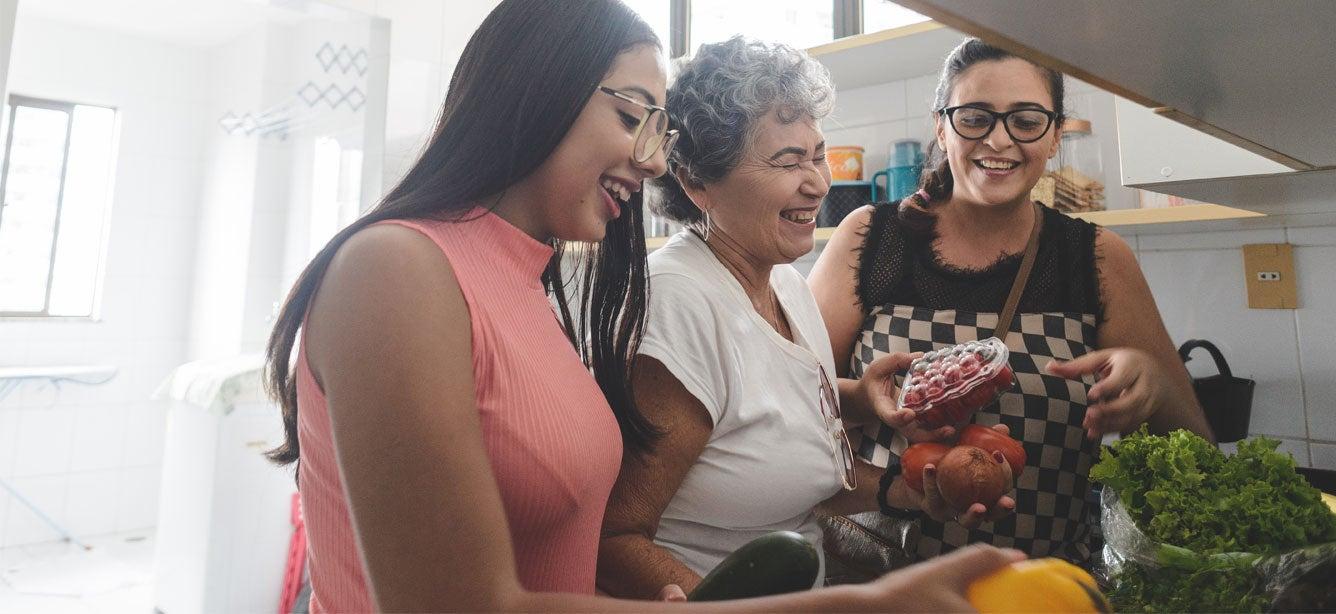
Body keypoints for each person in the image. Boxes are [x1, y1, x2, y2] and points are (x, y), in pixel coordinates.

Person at [265, 3, 1019, 611]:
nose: (653, 158)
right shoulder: (395, 270)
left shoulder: (532, 282)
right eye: (633, 118)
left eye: (658, 130)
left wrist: (857, 407)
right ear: (537, 93)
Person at [596, 37, 1011, 599]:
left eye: (817, 154)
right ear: (697, 183)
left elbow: (782, 463)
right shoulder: (680, 302)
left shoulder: (786, 286)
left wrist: (907, 486)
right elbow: (614, 537)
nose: (818, 182)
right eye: (788, 161)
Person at [808, 38, 1213, 565]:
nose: (999, 140)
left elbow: (1196, 452)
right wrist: (869, 422)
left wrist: (1154, 388)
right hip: (877, 585)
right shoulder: (869, 240)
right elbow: (783, 411)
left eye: (1025, 120)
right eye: (974, 117)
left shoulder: (1096, 258)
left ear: (1055, 136)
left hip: (1040, 588)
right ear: (941, 127)